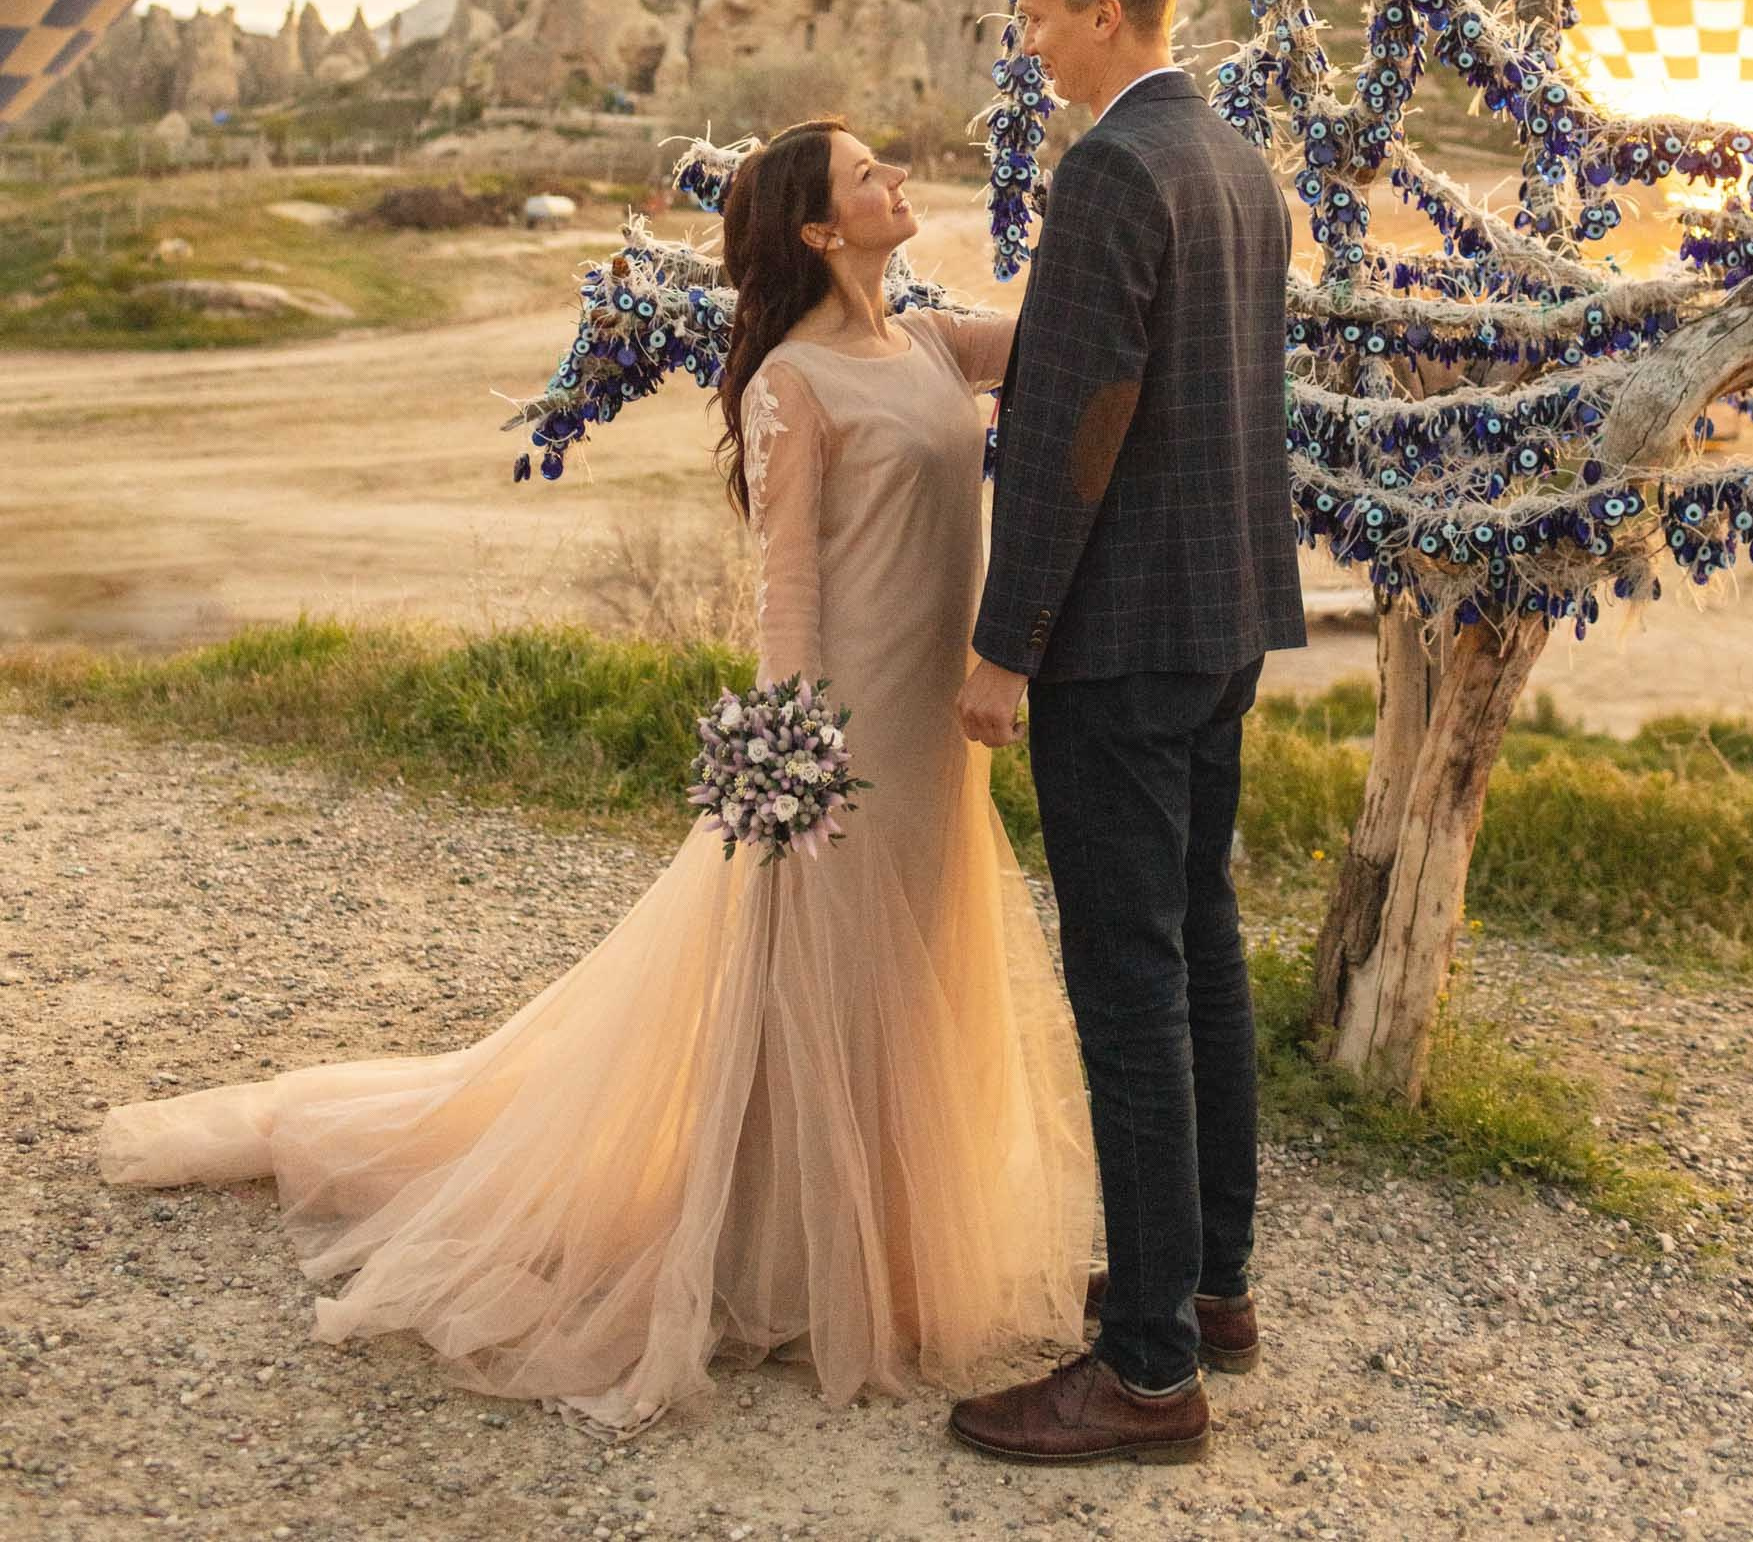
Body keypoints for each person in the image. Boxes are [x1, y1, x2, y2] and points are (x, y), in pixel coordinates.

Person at [98, 122, 1093, 1429]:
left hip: (926, 733)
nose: (900, 186)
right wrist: (781, 770)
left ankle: (889, 1248)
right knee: (817, 988)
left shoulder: (919, 338)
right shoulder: (790, 381)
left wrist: (1123, 224)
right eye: (870, 178)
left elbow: (1062, 340)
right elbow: (783, 590)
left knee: (915, 968)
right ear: (815, 228)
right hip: (837, 740)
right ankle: (783, 1265)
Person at [949, 0, 1305, 1470]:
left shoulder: (1107, 166)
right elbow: (1161, 373)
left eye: (1034, 18)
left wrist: (1000, 640)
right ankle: (1206, 1280)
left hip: (1118, 635)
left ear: (1105, 14)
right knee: (1201, 947)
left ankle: (1147, 1370)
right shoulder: (1230, 160)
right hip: (1223, 613)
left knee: (1130, 987)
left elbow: (1084, 420)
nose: (1026, 46)